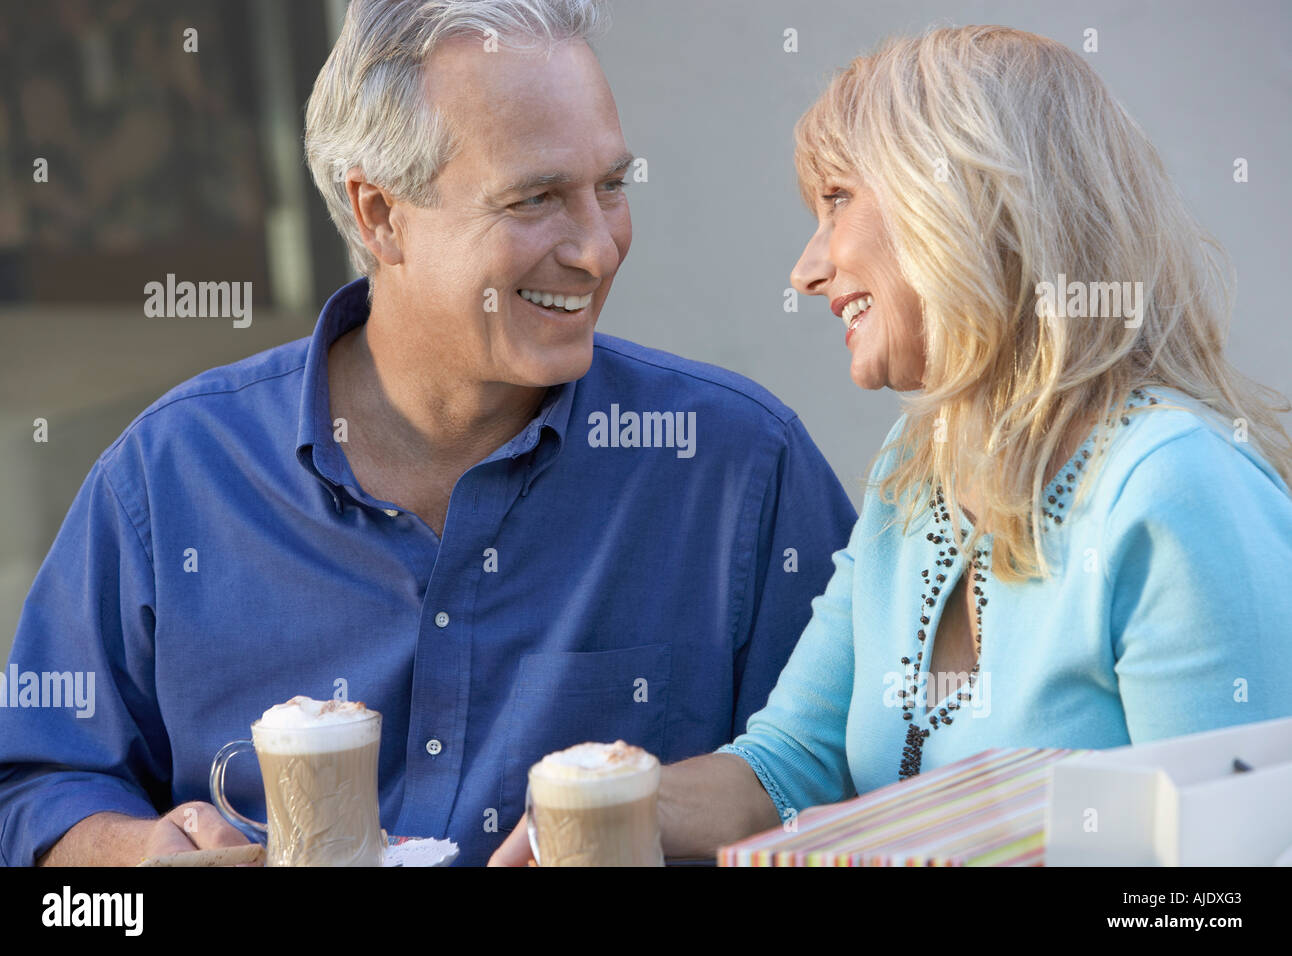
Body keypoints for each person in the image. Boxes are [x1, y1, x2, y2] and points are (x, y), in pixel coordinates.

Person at [0, 0, 857, 867]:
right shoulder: (169, 477)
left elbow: (850, 783)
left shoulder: (739, 469)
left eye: (611, 187)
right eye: (536, 198)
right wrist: (139, 858)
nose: (598, 249)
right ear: (378, 215)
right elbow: (27, 789)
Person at [490, 24, 1292, 864]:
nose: (806, 272)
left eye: (836, 201)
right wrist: (593, 810)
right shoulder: (913, 478)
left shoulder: (1174, 487)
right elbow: (785, 768)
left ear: (966, 200)